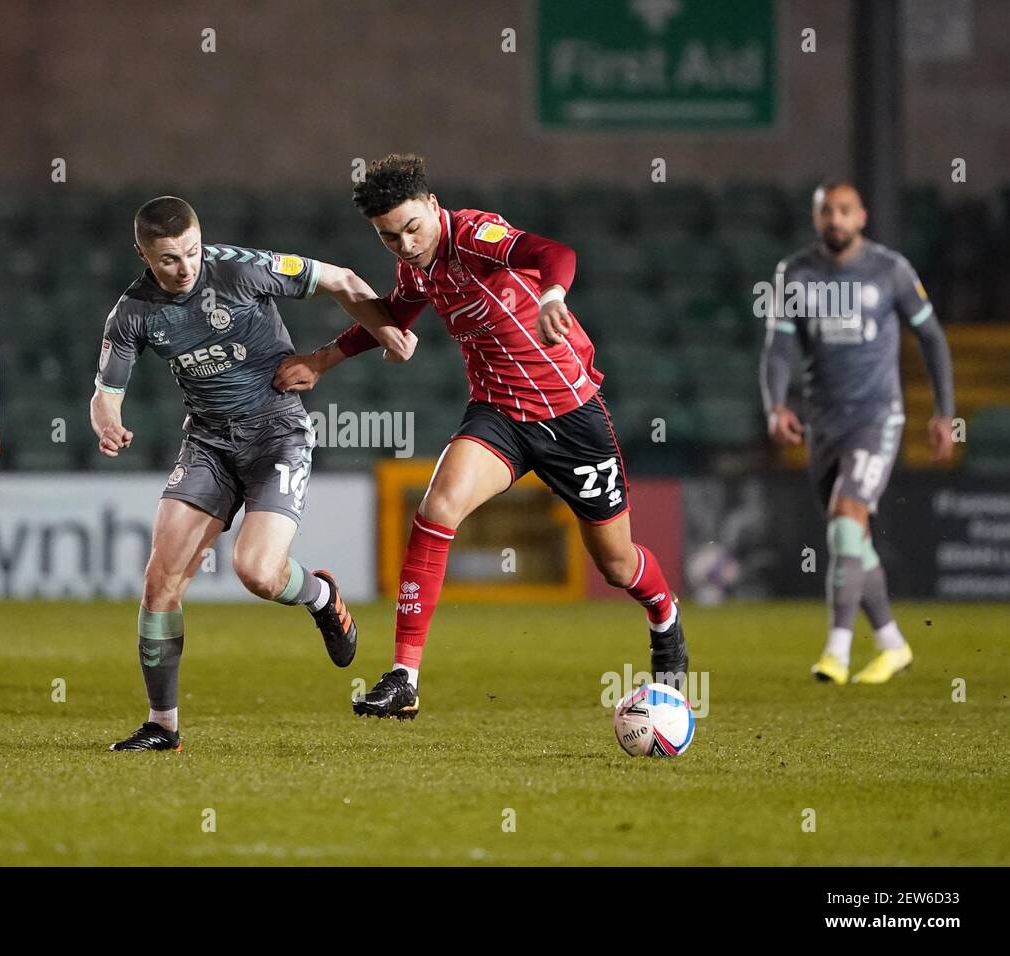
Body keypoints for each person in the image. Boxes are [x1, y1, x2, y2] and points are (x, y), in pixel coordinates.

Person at [275, 154, 688, 719]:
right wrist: (322, 361)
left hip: (570, 414)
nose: (404, 244)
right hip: (497, 412)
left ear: (433, 206)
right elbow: (396, 311)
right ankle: (404, 678)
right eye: (388, 236)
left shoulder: (473, 234)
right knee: (437, 507)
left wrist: (552, 296)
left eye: (412, 228)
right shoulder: (414, 266)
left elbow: (554, 254)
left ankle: (665, 618)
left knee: (616, 566)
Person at [91, 195, 413, 750]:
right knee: (160, 581)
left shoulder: (240, 269)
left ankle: (318, 596)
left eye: (191, 251)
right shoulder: (133, 311)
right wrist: (109, 423)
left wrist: (386, 331)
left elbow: (342, 279)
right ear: (142, 253)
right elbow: (105, 392)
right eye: (169, 259)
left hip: (277, 435)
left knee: (257, 573)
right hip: (208, 446)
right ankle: (162, 725)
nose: (185, 267)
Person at [760, 181, 955, 685]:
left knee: (846, 521)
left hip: (877, 416)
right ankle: (892, 645)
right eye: (827, 211)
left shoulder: (890, 270)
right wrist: (775, 405)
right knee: (853, 538)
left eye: (845, 211)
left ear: (862, 216)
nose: (836, 220)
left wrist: (944, 413)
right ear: (816, 217)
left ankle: (837, 653)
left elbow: (931, 337)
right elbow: (778, 348)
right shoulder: (795, 274)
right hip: (824, 424)